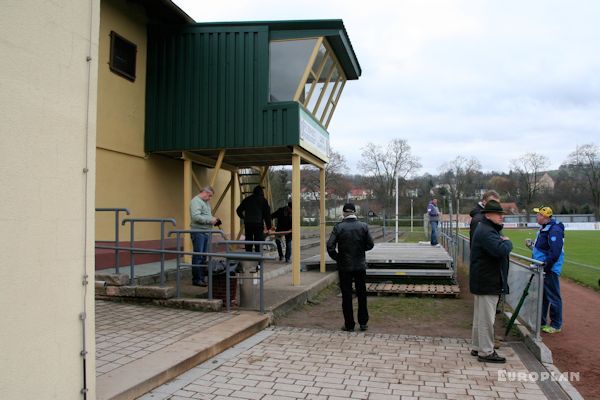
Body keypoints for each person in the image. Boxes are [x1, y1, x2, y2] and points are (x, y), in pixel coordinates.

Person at [469, 200, 512, 363]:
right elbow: (501, 250)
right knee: (487, 318)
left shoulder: (485, 228)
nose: (502, 217)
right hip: (488, 280)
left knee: (480, 317)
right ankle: (486, 351)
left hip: (483, 279)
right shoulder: (487, 230)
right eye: (499, 214)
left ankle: (477, 346)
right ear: (488, 215)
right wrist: (507, 241)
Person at [327, 203, 375, 332]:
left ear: (344, 213)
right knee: (362, 294)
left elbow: (330, 246)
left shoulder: (338, 227)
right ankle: (363, 322)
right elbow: (370, 244)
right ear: (355, 212)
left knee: (346, 295)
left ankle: (349, 324)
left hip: (344, 266)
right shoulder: (363, 226)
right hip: (360, 265)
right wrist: (360, 250)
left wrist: (338, 257)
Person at [527, 206, 565, 334]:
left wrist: (546, 267)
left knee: (553, 296)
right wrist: (532, 246)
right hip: (542, 267)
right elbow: (542, 249)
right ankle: (541, 321)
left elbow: (555, 252)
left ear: (544, 217)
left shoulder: (554, 230)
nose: (536, 216)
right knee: (543, 296)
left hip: (549, 269)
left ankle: (556, 324)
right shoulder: (544, 228)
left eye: (538, 215)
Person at [190, 186, 220, 286]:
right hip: (198, 232)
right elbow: (196, 217)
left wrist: (213, 219)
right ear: (204, 192)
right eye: (209, 196)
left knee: (203, 257)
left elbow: (206, 216)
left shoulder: (205, 203)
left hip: (206, 232)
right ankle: (197, 279)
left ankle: (202, 278)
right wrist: (209, 220)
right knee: (198, 255)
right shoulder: (196, 201)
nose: (210, 198)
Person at [236, 185, 272, 252]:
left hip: (248, 223)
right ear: (261, 192)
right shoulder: (264, 201)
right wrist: (269, 227)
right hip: (258, 223)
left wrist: (243, 217)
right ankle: (258, 258)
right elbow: (267, 215)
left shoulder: (247, 199)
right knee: (258, 240)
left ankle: (249, 256)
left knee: (248, 240)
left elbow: (238, 210)